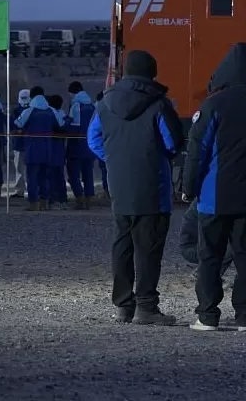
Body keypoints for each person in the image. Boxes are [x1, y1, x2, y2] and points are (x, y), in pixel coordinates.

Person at [180, 43, 246, 332]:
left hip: (214, 195)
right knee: (245, 254)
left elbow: (199, 150)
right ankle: (245, 315)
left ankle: (207, 315)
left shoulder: (213, 105)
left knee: (210, 256)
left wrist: (188, 186)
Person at [87, 50, 184, 326]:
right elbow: (172, 143)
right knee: (149, 247)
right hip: (153, 185)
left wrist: (116, 158)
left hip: (119, 184)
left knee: (123, 243)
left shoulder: (105, 103)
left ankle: (123, 305)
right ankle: (146, 307)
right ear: (152, 73)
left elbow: (93, 140)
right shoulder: (158, 104)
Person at [15, 86, 59, 211]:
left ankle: (34, 203)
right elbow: (60, 124)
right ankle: (44, 202)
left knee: (32, 177)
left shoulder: (29, 111)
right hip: (48, 147)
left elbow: (18, 123)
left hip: (32, 148)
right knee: (44, 176)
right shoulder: (51, 110)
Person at [66, 81, 97, 209]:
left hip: (76, 146)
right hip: (90, 145)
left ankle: (80, 199)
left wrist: (65, 123)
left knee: (73, 174)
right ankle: (89, 200)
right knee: (88, 173)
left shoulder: (76, 106)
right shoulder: (92, 106)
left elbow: (74, 127)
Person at [46, 94, 70, 210]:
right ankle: (63, 199)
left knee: (50, 176)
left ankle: (52, 200)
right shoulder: (63, 115)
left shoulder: (51, 116)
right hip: (60, 150)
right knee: (60, 176)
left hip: (52, 149)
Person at [9, 89, 32, 198]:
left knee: (30, 168)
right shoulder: (16, 110)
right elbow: (12, 125)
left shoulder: (33, 110)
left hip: (29, 143)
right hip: (19, 143)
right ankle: (20, 190)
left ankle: (32, 189)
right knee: (19, 168)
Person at [94, 90, 109, 196]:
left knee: (105, 169)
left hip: (103, 144)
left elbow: (93, 137)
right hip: (113, 144)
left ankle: (107, 190)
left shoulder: (98, 111)